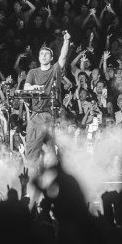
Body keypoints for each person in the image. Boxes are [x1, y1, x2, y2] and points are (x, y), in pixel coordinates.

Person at [23, 31, 71, 169]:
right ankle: (29, 180)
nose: (43, 56)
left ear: (51, 58)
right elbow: (26, 87)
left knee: (51, 153)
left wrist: (66, 41)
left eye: (46, 54)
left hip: (52, 115)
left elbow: (63, 57)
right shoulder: (33, 72)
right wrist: (35, 88)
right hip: (36, 115)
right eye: (41, 54)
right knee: (31, 152)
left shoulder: (55, 69)